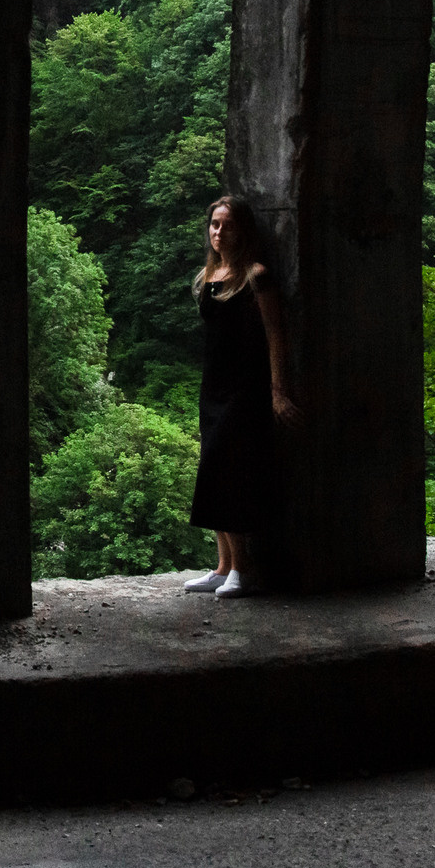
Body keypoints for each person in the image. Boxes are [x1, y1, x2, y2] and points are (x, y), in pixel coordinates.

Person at [182, 194, 301, 598]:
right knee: (211, 469)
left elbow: (275, 335)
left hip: (244, 388)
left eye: (227, 225)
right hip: (213, 387)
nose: (218, 232)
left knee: (226, 473)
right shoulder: (209, 276)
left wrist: (278, 392)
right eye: (214, 224)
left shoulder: (255, 276)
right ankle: (223, 567)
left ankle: (243, 568)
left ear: (243, 230)